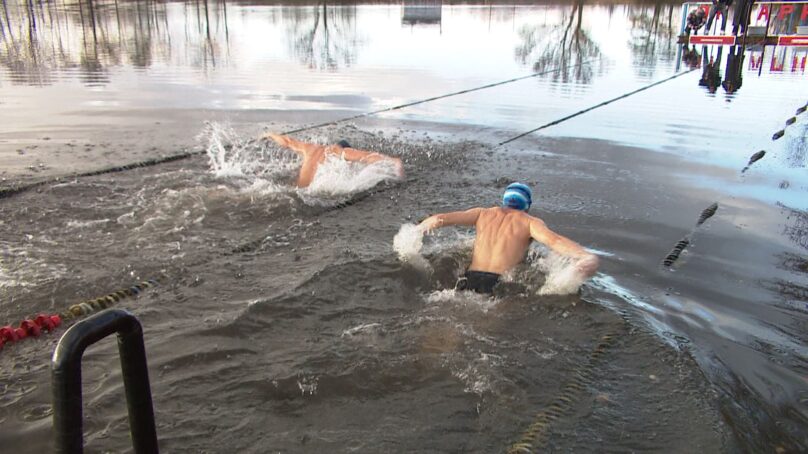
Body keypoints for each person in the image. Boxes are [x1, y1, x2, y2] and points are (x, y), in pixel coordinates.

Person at [418, 183, 599, 294]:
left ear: (505, 200)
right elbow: (555, 241)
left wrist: (416, 231)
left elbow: (439, 219)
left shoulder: (482, 213)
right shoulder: (530, 222)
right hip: (498, 283)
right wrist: (584, 256)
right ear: (527, 205)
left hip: (468, 277)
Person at [262, 133, 404, 188]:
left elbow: (286, 141)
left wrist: (269, 134)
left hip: (296, 188)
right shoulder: (340, 152)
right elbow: (367, 156)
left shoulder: (309, 147)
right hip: (312, 193)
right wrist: (394, 161)